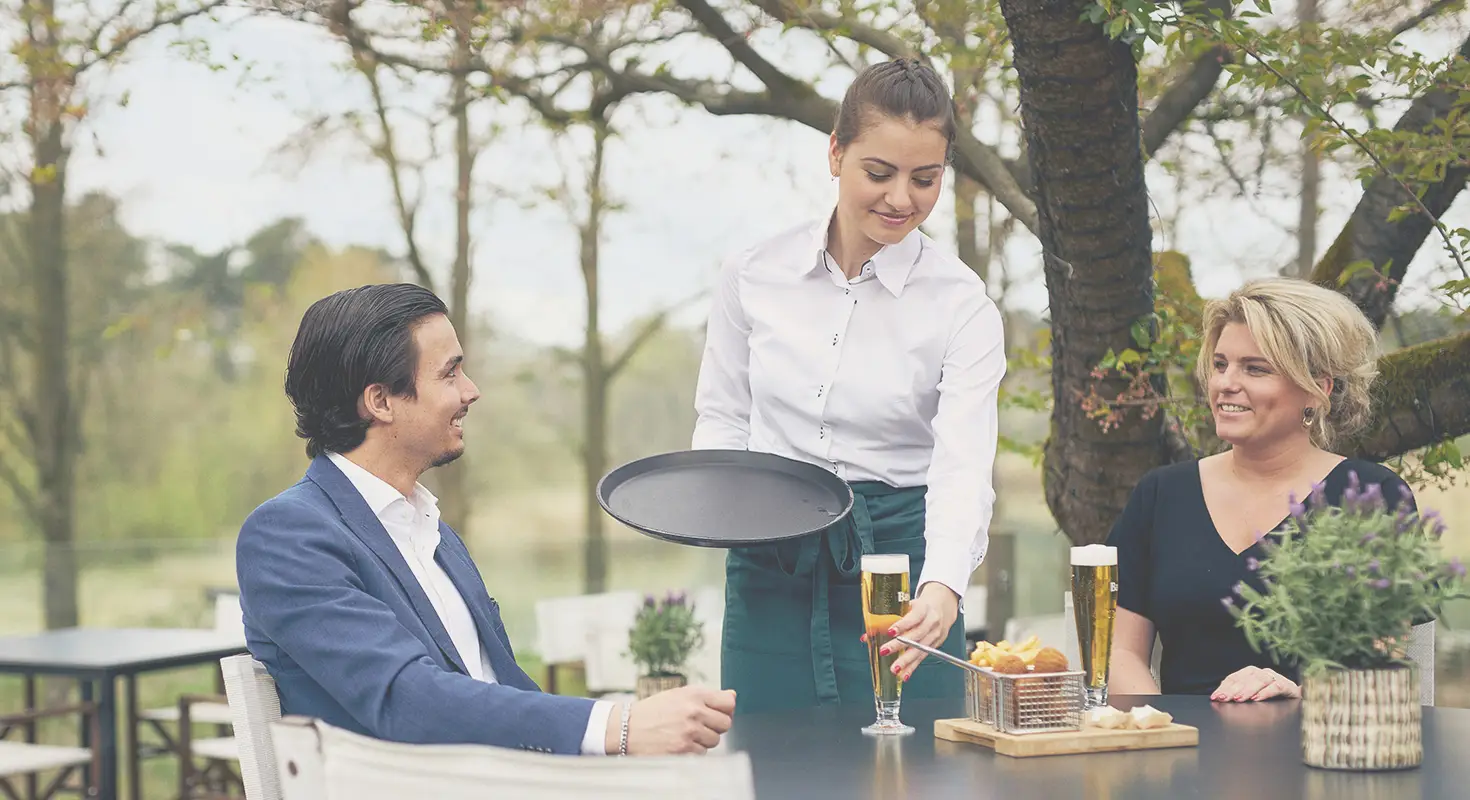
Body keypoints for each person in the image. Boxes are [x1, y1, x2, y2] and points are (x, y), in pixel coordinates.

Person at [237, 283, 735, 755]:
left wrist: (623, 751)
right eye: (450, 373)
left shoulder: (434, 533)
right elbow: (407, 699)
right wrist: (620, 728)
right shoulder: (289, 535)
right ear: (380, 401)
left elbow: (502, 686)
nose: (470, 391)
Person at [691, 57, 1007, 712]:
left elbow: (963, 464)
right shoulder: (753, 273)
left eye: (925, 179)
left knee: (917, 769)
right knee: (772, 766)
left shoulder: (962, 305)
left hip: (901, 569)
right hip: (773, 560)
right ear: (835, 153)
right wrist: (721, 507)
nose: (901, 199)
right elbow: (722, 417)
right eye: (879, 172)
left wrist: (944, 585)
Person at [1105, 277, 1415, 702]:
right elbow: (1120, 652)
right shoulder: (1160, 495)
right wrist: (1163, 734)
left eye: (1256, 368)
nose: (1225, 384)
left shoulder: (1371, 497)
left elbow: (1380, 670)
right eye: (1220, 364)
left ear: (1317, 390)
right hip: (1177, 752)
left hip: (1315, 750)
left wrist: (1299, 695)